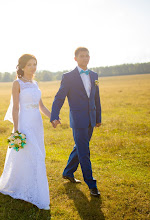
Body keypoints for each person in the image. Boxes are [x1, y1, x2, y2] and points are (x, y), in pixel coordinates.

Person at [0, 54, 51, 210]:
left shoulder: (35, 83)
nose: (33, 67)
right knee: (32, 153)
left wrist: (53, 117)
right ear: (22, 67)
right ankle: (33, 191)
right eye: (29, 64)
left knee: (37, 153)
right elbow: (15, 107)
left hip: (36, 123)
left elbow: (41, 106)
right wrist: (16, 129)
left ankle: (30, 183)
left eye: (35, 64)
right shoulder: (17, 83)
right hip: (24, 123)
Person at [50, 47, 102, 197]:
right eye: (82, 56)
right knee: (84, 151)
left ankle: (68, 172)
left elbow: (96, 98)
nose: (85, 58)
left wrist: (98, 118)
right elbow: (59, 97)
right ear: (75, 58)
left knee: (80, 147)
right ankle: (91, 184)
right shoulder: (68, 77)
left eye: (87, 56)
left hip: (91, 119)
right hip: (78, 120)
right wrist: (54, 115)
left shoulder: (94, 75)